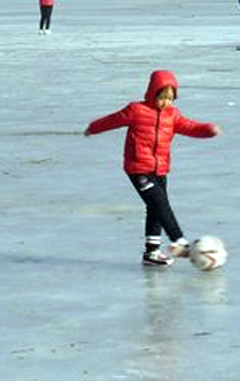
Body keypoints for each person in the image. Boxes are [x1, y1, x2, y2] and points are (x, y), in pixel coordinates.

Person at [84, 70, 221, 266]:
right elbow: (112, 120)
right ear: (152, 93)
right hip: (138, 167)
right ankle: (179, 241)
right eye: (162, 97)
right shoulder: (136, 110)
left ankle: (152, 253)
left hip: (160, 169)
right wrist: (94, 127)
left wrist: (208, 130)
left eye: (170, 99)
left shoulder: (172, 115)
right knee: (160, 204)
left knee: (155, 208)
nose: (166, 102)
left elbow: (190, 127)